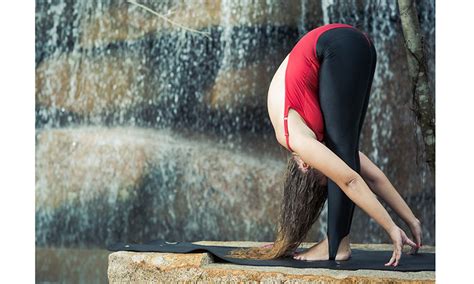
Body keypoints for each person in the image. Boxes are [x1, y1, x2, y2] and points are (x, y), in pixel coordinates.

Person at [227, 23, 422, 267]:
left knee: (344, 158)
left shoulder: (295, 138)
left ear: (306, 166)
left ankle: (337, 245)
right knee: (346, 153)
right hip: (360, 44)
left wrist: (391, 229)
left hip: (336, 46)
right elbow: (372, 177)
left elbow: (349, 180)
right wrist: (410, 219)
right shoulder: (313, 138)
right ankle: (337, 243)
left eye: (327, 178)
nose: (332, 173)